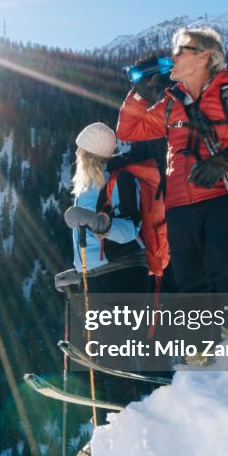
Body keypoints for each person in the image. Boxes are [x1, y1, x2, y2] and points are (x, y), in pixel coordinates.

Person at [116, 26, 228, 335]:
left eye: (180, 51)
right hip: (177, 202)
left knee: (222, 261)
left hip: (225, 194)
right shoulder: (171, 102)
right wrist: (139, 94)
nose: (171, 57)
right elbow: (128, 131)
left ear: (204, 56)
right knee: (189, 278)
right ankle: (203, 350)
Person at [62, 122, 157, 410]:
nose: (77, 154)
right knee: (100, 359)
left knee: (112, 356)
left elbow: (131, 229)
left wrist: (97, 223)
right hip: (98, 276)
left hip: (123, 274)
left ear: (89, 155)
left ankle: (125, 424)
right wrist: (75, 273)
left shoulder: (121, 180)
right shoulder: (86, 189)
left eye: (80, 150)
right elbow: (88, 244)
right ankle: (110, 432)